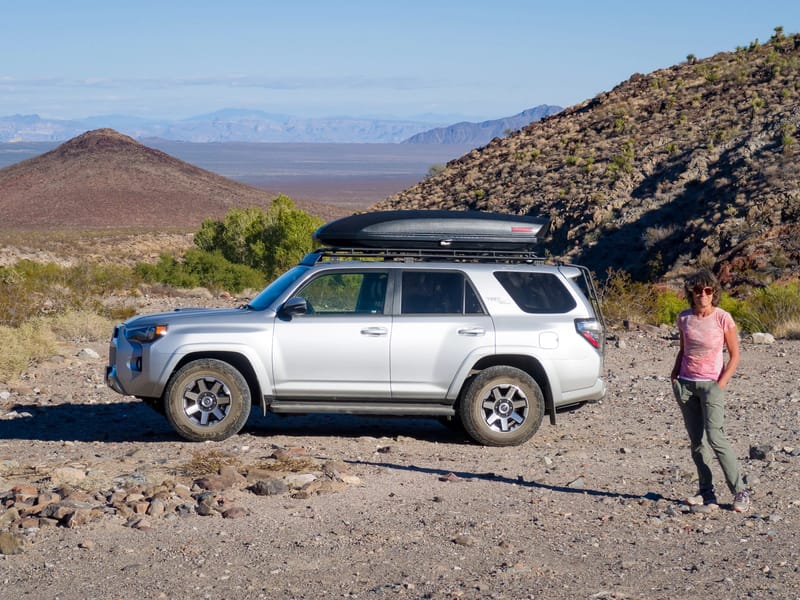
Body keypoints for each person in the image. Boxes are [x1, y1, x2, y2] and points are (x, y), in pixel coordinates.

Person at [670, 269, 749, 512]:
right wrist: (674, 376)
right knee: (697, 442)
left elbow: (735, 355)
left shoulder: (723, 318)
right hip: (686, 384)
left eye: (707, 290)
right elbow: (684, 350)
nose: (702, 295)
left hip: (711, 385)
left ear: (713, 292)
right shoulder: (684, 318)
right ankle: (706, 493)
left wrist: (721, 383)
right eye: (697, 291)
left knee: (716, 437)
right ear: (690, 294)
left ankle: (739, 492)